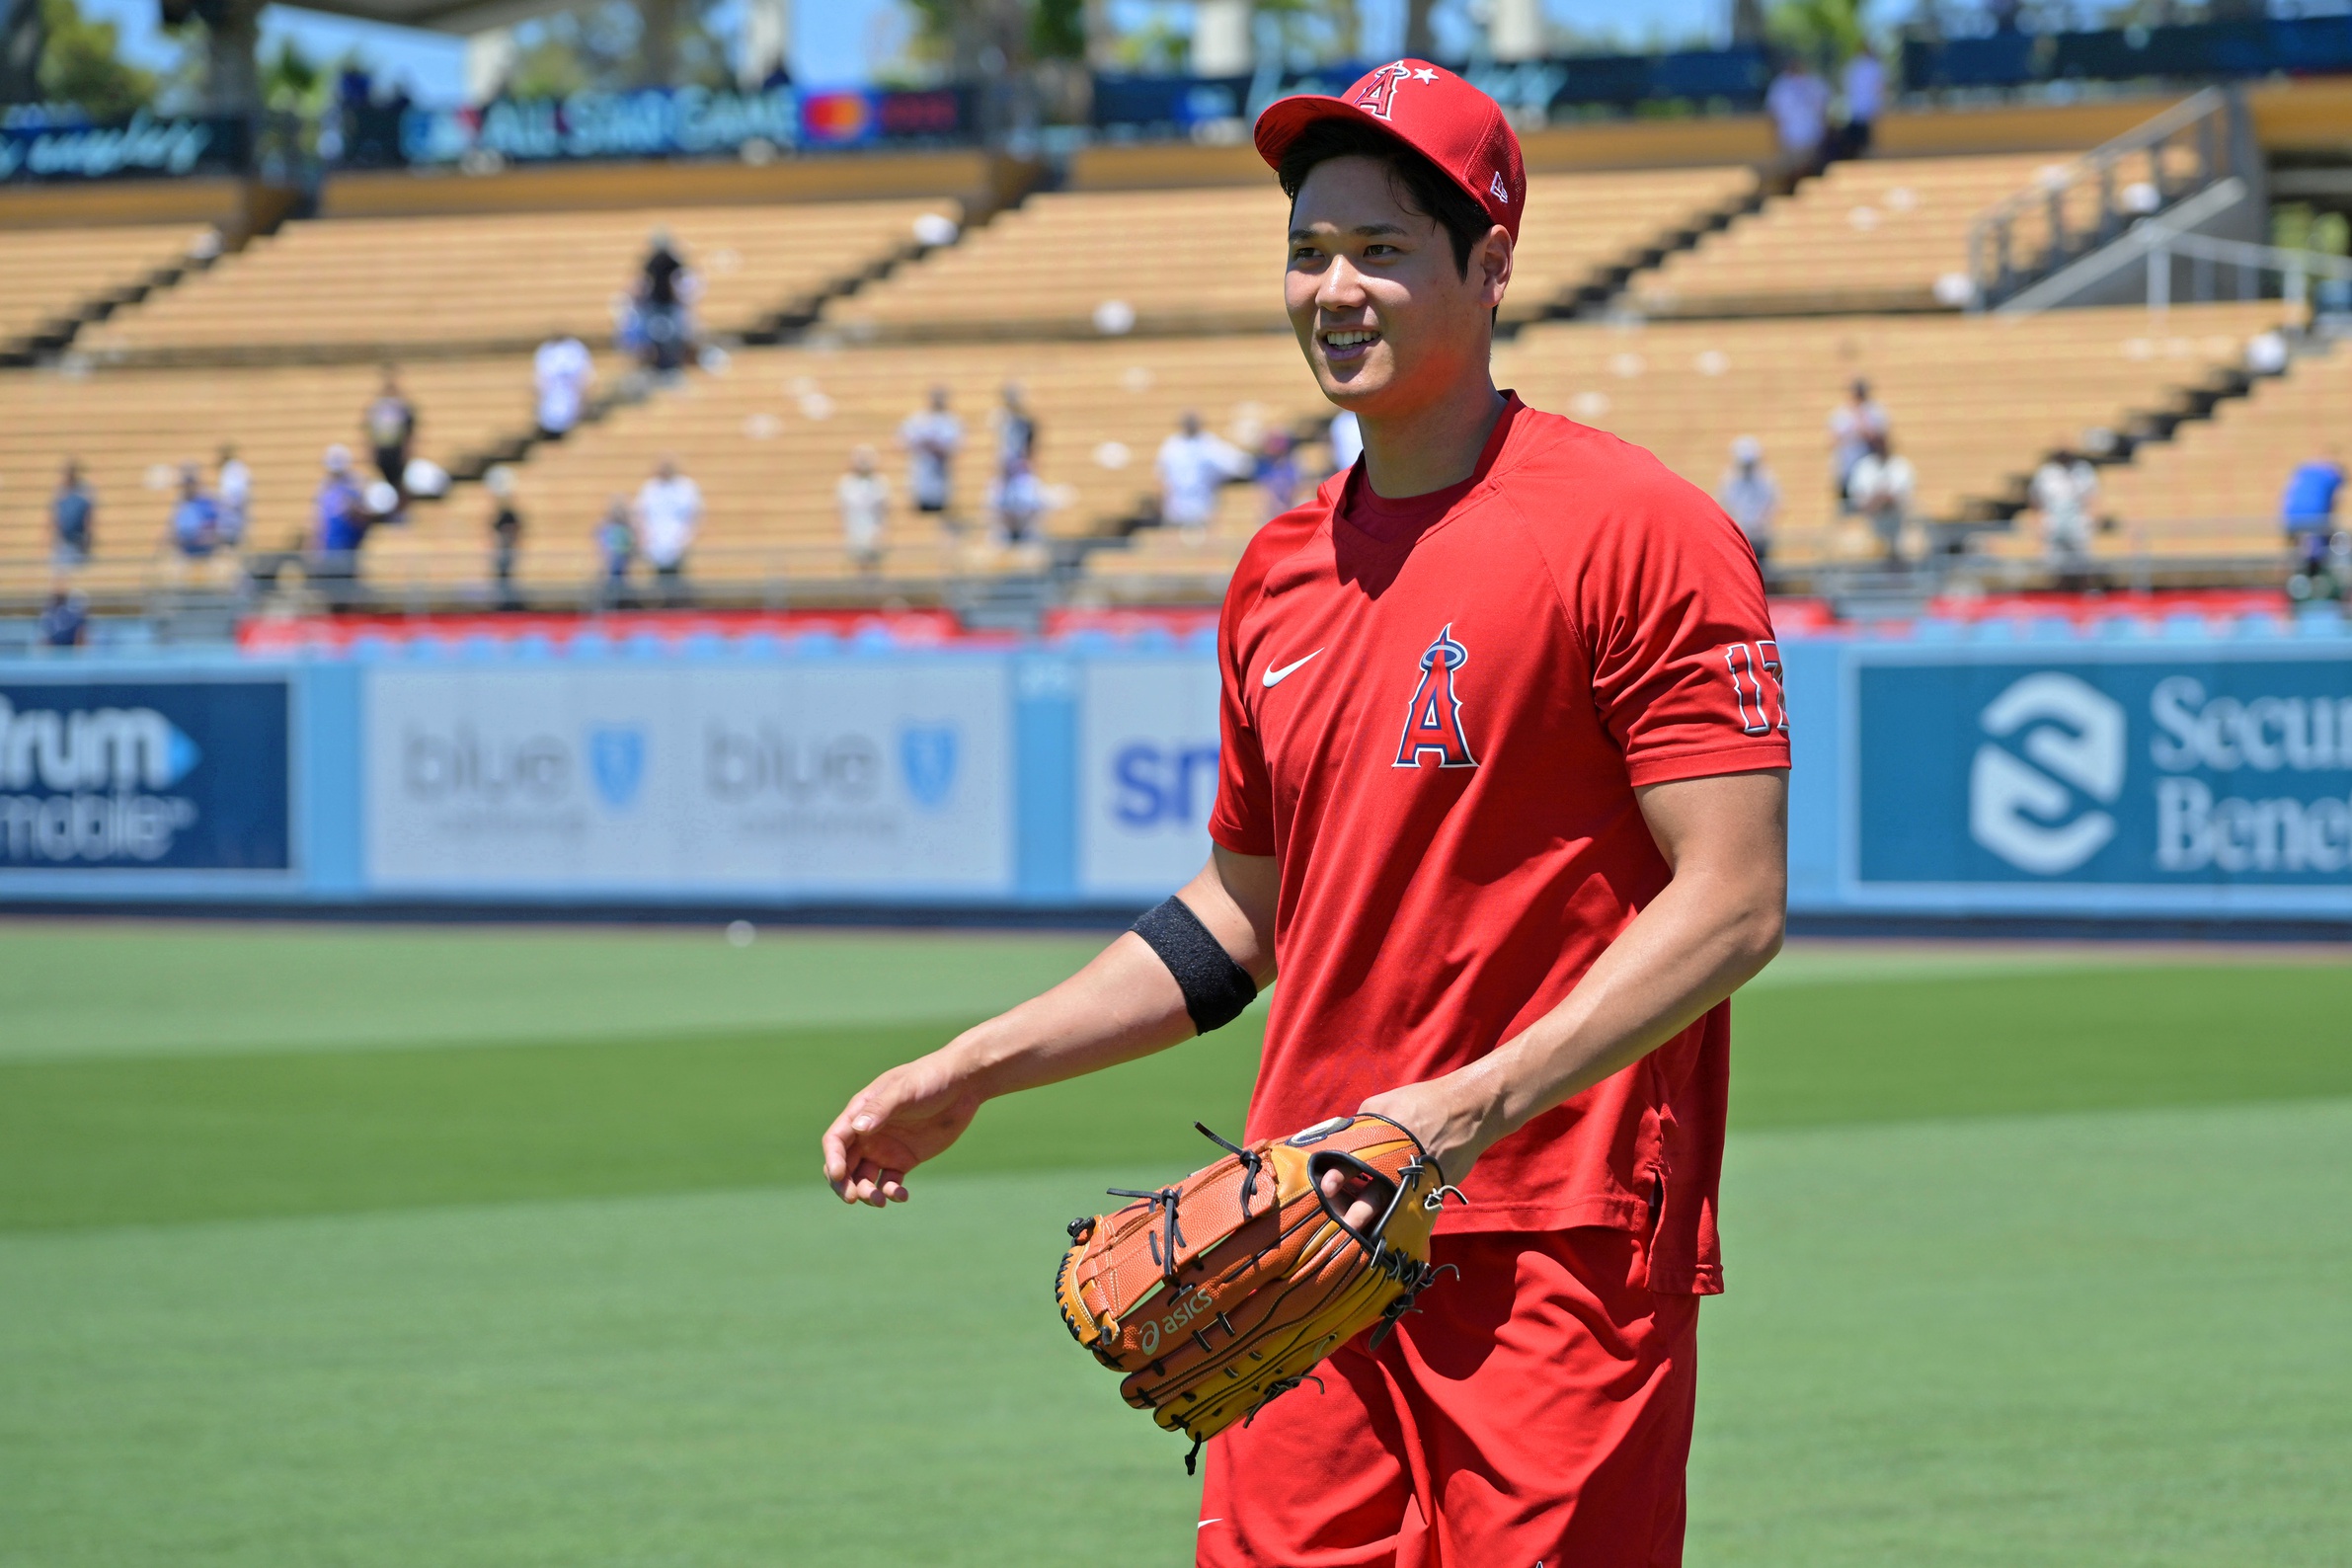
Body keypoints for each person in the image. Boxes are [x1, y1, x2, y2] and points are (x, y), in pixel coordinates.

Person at [822, 60, 1789, 1568]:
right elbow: (1239, 917)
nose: (1333, 288)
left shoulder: (1637, 529)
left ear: (1491, 262)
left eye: (1383, 251)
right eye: (1308, 248)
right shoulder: (1276, 571)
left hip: (1552, 1234)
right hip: (1304, 1239)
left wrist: (1458, 1112)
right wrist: (975, 1068)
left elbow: (1730, 901)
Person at [1155, 411, 1249, 541]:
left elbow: (1238, 465)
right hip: (1176, 508)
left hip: (1204, 507)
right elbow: (1161, 476)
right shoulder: (1171, 446)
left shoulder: (1209, 444)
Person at [634, 454, 701, 601]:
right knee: (659, 579)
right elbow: (640, 514)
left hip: (677, 541)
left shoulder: (685, 488)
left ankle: (677, 603)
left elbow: (694, 515)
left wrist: (686, 538)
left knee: (675, 577)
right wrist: (643, 537)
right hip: (655, 542)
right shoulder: (650, 488)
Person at [312, 445, 370, 608]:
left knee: (345, 596)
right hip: (330, 552)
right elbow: (320, 523)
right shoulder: (325, 490)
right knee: (331, 596)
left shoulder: (353, 489)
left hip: (346, 551)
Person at [1847, 430, 1915, 565]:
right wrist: (1880, 500)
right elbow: (1859, 499)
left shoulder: (1901, 466)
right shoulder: (1864, 467)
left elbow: (1903, 498)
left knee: (1911, 547)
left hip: (1898, 522)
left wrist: (1881, 499)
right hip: (1871, 522)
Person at [899, 385, 964, 521]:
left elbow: (955, 447)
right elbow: (902, 442)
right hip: (921, 476)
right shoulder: (918, 420)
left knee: (941, 515)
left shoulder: (951, 421)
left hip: (941, 477)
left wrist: (937, 447)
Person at [635, 230, 695, 374]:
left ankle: (673, 364)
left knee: (674, 335)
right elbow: (645, 281)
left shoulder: (673, 261)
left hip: (669, 305)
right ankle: (658, 365)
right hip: (657, 304)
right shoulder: (653, 261)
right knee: (656, 335)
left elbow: (680, 279)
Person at [1764, 56, 1831, 187]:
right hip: (1791, 136)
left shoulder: (1812, 83)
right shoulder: (1781, 85)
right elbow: (1774, 113)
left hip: (1810, 135)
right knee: (1793, 170)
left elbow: (1823, 107)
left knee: (1809, 169)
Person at [2031, 448, 2099, 573]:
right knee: (2055, 565)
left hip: (2078, 522)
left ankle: (2083, 589)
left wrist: (2092, 519)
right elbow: (2035, 499)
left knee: (2082, 563)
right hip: (2053, 523)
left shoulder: (2083, 470)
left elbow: (2092, 497)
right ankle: (2060, 590)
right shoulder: (2046, 473)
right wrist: (2038, 522)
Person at [2282, 446, 2345, 576]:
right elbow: (2334, 502)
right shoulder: (2333, 475)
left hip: (2290, 515)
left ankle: (2299, 576)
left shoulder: (2304, 470)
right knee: (2318, 549)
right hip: (2313, 515)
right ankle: (2314, 577)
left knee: (2301, 547)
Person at [1717, 434, 1780, 564]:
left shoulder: (1766, 478)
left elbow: (1774, 503)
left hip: (1760, 536)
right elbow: (1724, 504)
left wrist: (1762, 523)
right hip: (1739, 536)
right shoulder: (1729, 479)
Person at [1828, 378, 1888, 510]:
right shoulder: (1842, 413)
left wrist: (1863, 425)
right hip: (1847, 468)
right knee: (1848, 507)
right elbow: (1832, 441)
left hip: (1869, 468)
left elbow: (1882, 439)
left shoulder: (1875, 411)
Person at [837, 445, 891, 573]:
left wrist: (883, 532)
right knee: (858, 567)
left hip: (874, 532)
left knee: (874, 568)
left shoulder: (880, 482)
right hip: (854, 532)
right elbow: (841, 511)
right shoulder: (846, 483)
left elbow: (885, 511)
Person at [533, 333, 595, 439]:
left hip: (572, 408)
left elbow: (585, 381)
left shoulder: (575, 350)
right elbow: (539, 383)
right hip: (549, 411)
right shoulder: (547, 351)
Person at [363, 369, 417, 489]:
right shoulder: (377, 407)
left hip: (396, 450)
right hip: (382, 451)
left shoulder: (402, 407)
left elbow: (409, 431)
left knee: (398, 482)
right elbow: (370, 430)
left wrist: (407, 450)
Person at [486, 465, 524, 611]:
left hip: (507, 549)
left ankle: (509, 604)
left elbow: (515, 528)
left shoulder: (510, 515)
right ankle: (502, 603)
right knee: (501, 577)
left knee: (507, 577)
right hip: (502, 549)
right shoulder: (500, 513)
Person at [988, 452, 1048, 544]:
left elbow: (1038, 506)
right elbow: (993, 509)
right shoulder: (997, 485)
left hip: (1028, 530)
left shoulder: (1032, 483)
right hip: (1003, 531)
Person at [1839, 46, 1884, 160]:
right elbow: (1880, 88)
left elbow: (1844, 85)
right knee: (1867, 146)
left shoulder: (1851, 67)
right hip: (1869, 112)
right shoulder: (1875, 67)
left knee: (1855, 146)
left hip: (1854, 111)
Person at [50, 461, 96, 569]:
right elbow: (55, 517)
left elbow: (88, 516)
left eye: (70, 473)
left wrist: (89, 536)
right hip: (63, 542)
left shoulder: (83, 492)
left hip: (79, 540)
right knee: (62, 573)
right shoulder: (60, 492)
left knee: (78, 572)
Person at [169, 465, 221, 559]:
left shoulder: (206, 500)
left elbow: (214, 530)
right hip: (184, 550)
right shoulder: (181, 501)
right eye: (185, 483)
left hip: (206, 550)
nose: (187, 486)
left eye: (190, 483)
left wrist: (199, 538)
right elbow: (173, 529)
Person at [595, 495, 636, 608]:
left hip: (624, 569)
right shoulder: (605, 526)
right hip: (611, 568)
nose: (618, 512)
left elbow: (632, 546)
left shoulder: (628, 527)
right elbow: (602, 548)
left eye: (621, 509)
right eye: (616, 509)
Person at [1256, 429, 1304, 517]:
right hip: (1271, 509)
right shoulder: (1263, 465)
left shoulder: (1292, 462)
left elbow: (1297, 487)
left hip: (1291, 505)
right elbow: (1263, 490)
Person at [215, 444, 251, 547]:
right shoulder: (234, 470)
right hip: (231, 523)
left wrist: (219, 502)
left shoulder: (233, 470)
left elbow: (235, 498)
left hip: (233, 523)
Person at [1326, 407, 1364, 472]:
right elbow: (1333, 446)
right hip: (1345, 468)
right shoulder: (1339, 421)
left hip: (1365, 468)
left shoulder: (1364, 419)